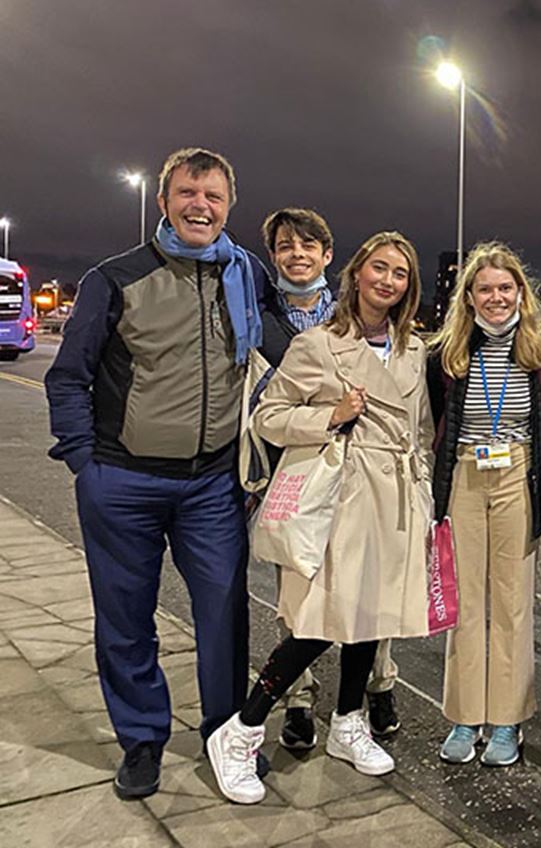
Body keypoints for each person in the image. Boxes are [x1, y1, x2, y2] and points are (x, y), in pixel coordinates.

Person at [45, 147, 268, 800]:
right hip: (124, 481)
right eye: (189, 192)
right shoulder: (115, 278)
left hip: (212, 485)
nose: (202, 205)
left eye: (215, 195)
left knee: (225, 615)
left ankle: (227, 737)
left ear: (230, 206)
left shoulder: (246, 274)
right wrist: (86, 463)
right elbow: (68, 379)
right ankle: (142, 739)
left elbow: (288, 342)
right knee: (125, 617)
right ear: (165, 200)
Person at [206, 231, 433, 805]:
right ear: (356, 273)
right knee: (316, 622)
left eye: (400, 273)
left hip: (396, 499)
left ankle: (348, 722)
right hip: (341, 497)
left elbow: (422, 427)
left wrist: (423, 485)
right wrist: (332, 415)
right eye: (378, 268)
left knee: (372, 618)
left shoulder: (412, 347)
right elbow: (269, 416)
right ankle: (243, 729)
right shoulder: (317, 344)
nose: (387, 280)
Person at [255, 209, 401, 748]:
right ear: (273, 255)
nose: (298, 254)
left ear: (328, 255)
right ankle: (299, 699)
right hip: (293, 472)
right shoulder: (259, 313)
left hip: (361, 480)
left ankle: (377, 686)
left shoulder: (350, 313)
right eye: (286, 246)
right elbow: (265, 406)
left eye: (308, 245)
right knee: (299, 597)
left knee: (370, 592)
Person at [426, 241, 541, 767]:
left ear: (520, 294)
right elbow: (435, 420)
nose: (496, 297)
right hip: (465, 475)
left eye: (506, 288)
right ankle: (463, 717)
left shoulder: (540, 352)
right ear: (470, 297)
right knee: (465, 604)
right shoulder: (449, 353)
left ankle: (506, 721)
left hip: (516, 477)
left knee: (512, 603)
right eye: (485, 289)